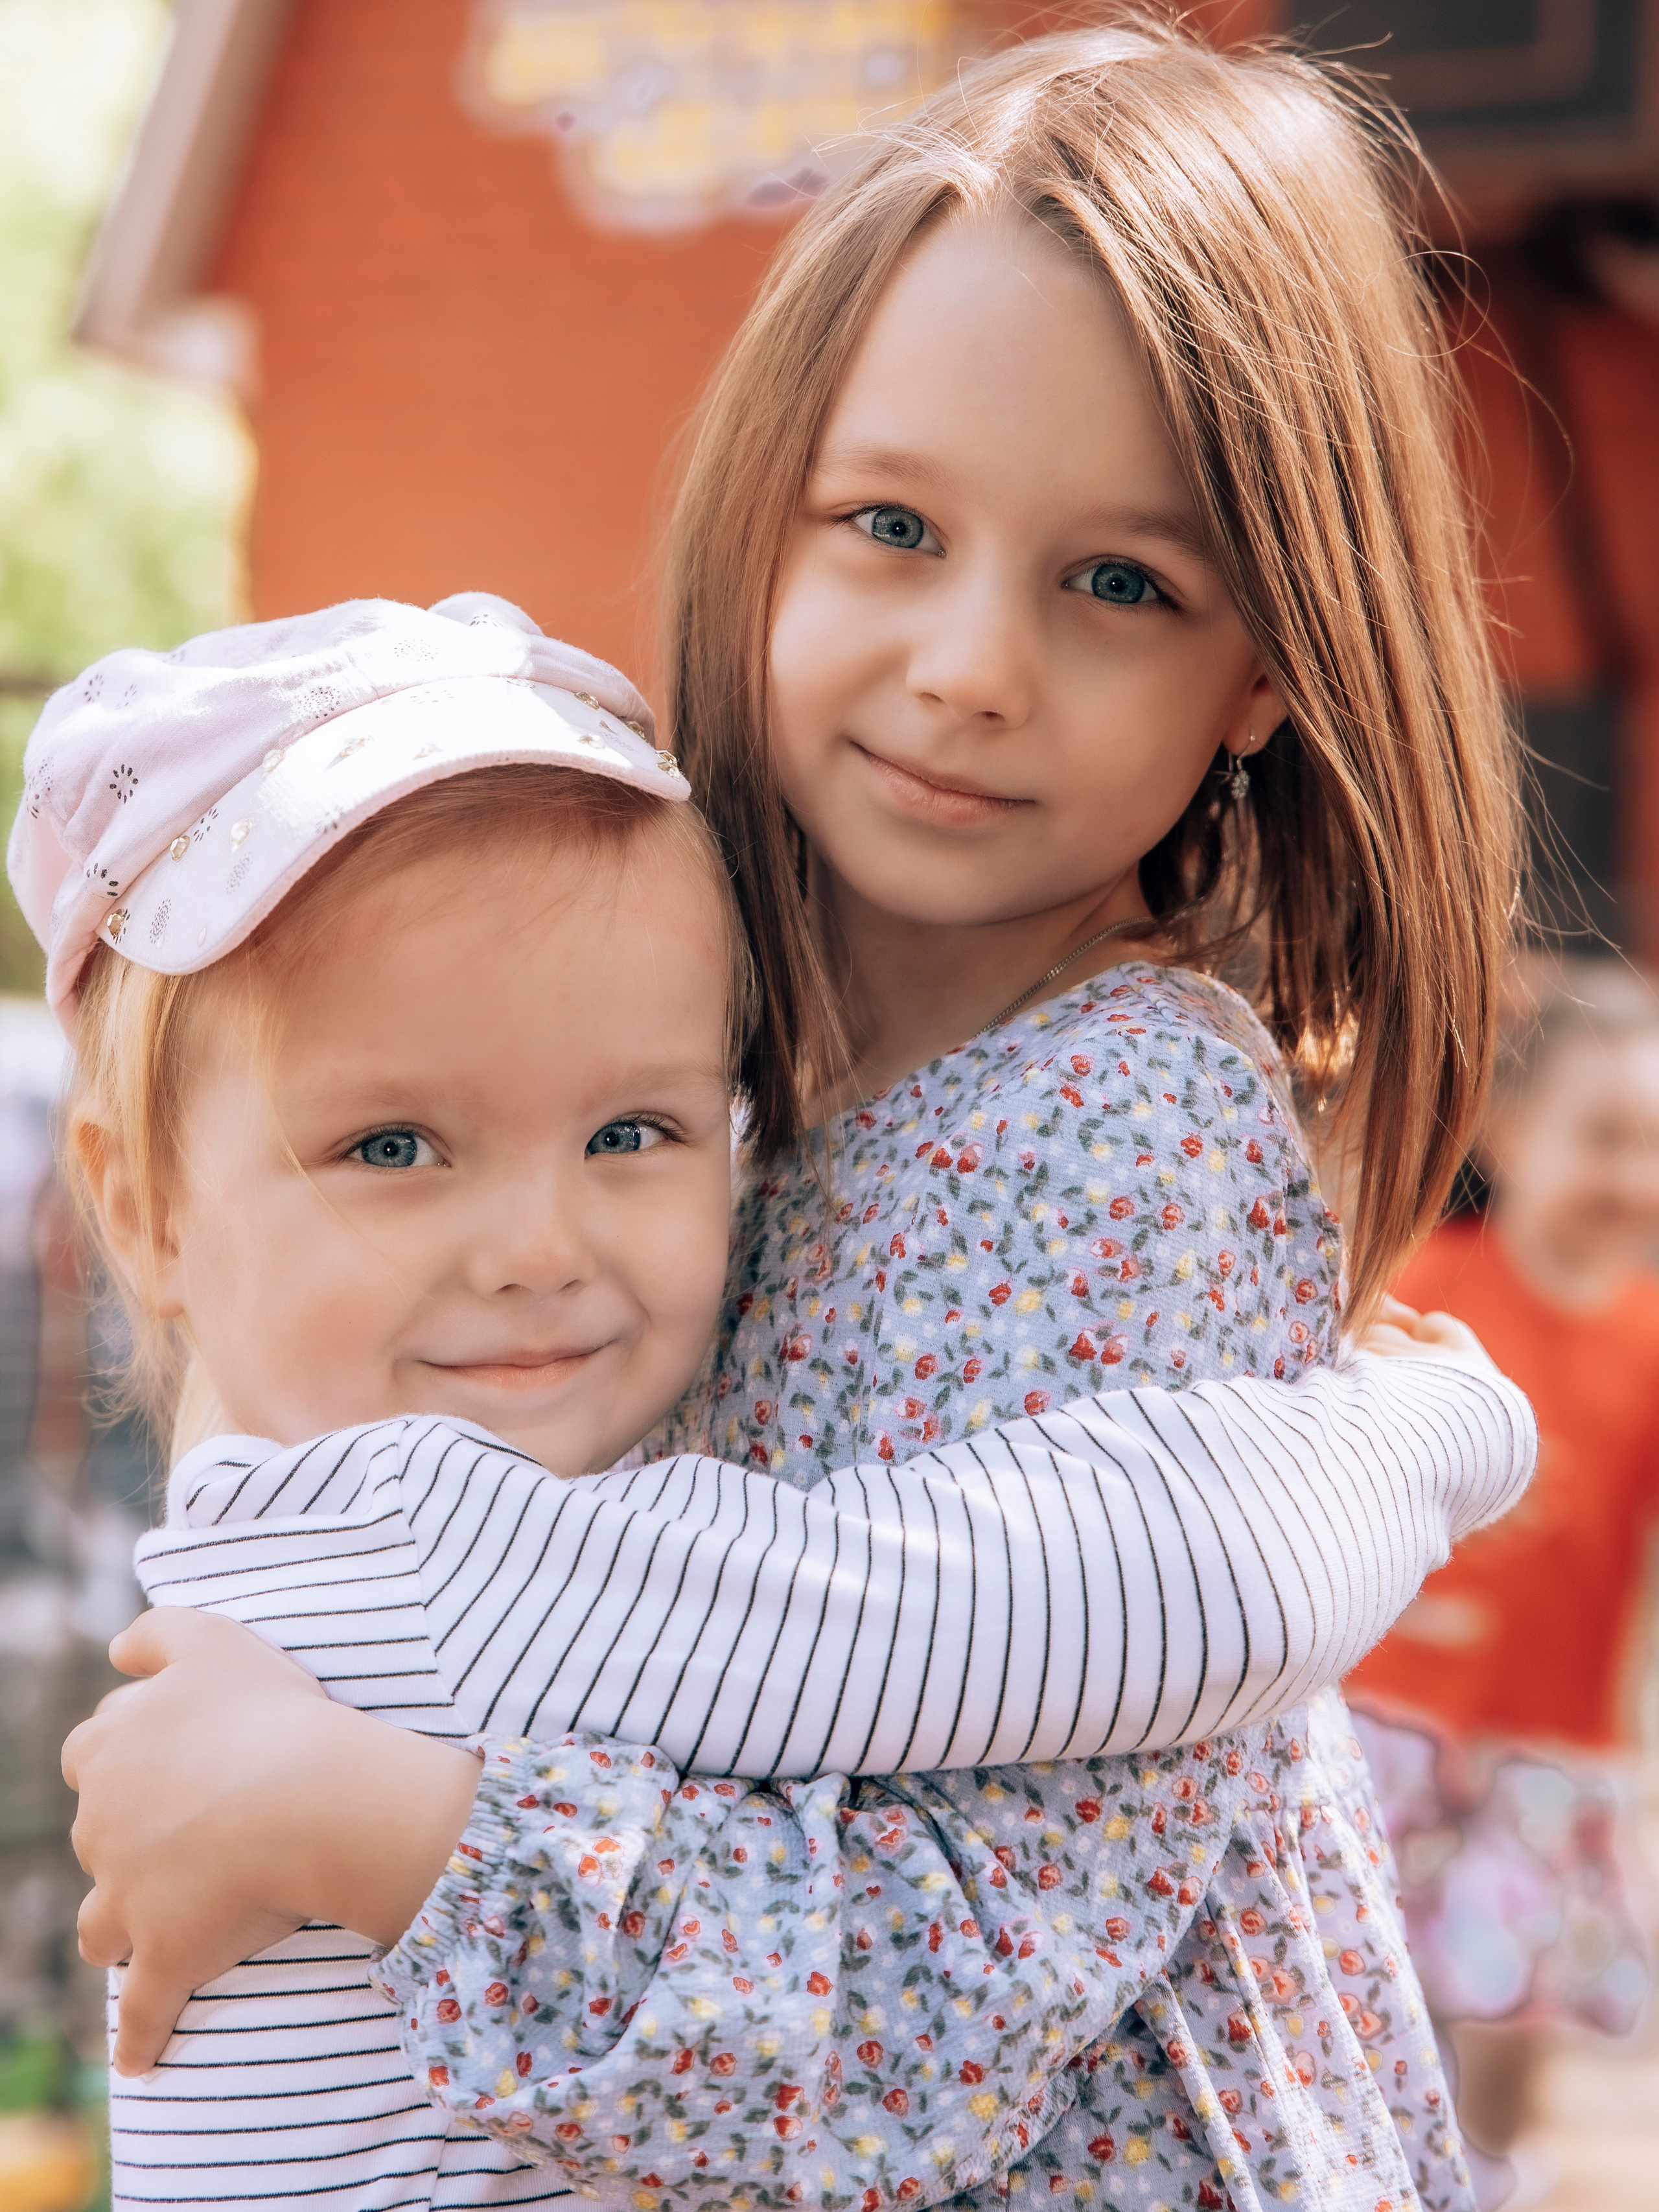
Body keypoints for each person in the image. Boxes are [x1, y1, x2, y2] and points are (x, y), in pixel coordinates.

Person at [58, 17, 1533, 2211]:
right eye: (892, 525)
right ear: (766, 517)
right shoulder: (692, 1102)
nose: (969, 660)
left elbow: (932, 1979)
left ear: (1267, 670)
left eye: (1119, 581)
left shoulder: (1106, 1123)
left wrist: (363, 1817)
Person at [1348, 957, 1659, 2202]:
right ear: (1512, 1128)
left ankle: (1494, 2175)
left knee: (1510, 2003)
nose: (1633, 1178)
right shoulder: (1427, 1285)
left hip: (1549, 1732)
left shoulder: (1649, 1343)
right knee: (1371, 1967)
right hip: (1388, 1709)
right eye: (1605, 1137)